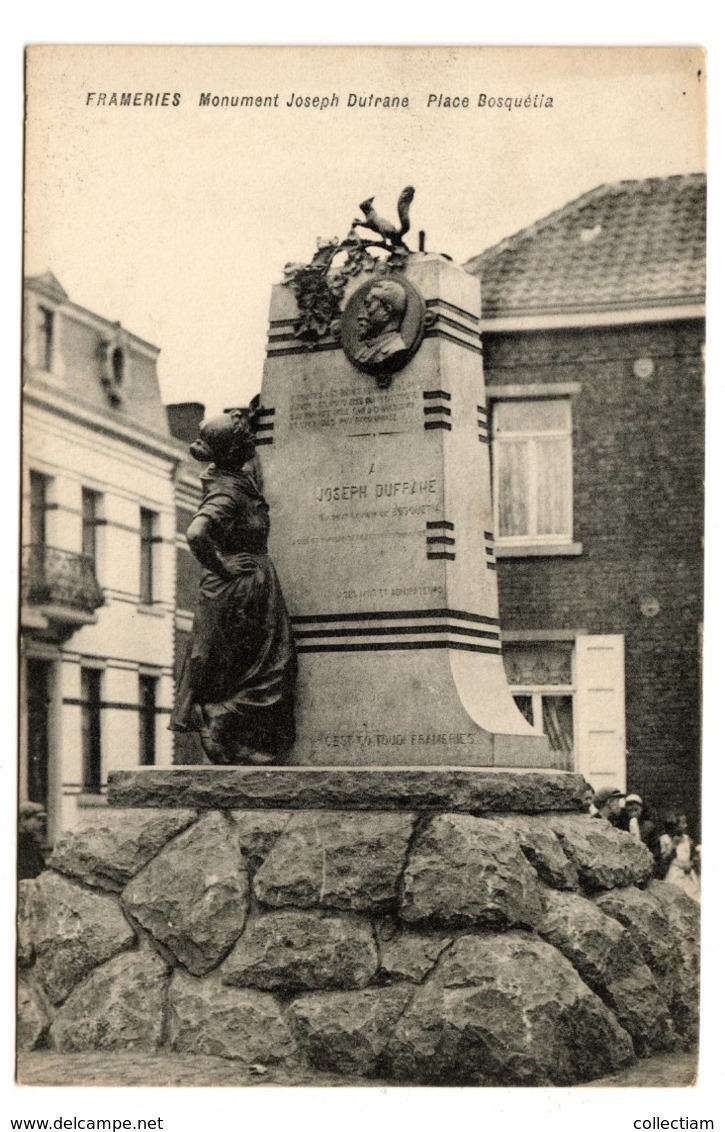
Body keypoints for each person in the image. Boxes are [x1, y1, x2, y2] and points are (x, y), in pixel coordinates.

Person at [169, 408, 297, 765]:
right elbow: (196, 533)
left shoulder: (234, 479)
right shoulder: (227, 491)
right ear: (235, 450)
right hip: (239, 586)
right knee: (272, 667)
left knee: (252, 667)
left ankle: (230, 734)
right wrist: (223, 565)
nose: (253, 444)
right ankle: (218, 718)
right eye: (247, 439)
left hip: (248, 582)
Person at [352, 279, 408, 366]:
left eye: (368, 305)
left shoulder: (395, 348)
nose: (360, 315)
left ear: (387, 310)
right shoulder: (363, 352)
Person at [658, 813, 700, 902]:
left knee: (694, 897)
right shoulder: (665, 839)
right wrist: (672, 846)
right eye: (683, 823)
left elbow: (694, 855)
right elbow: (663, 859)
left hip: (688, 872)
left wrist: (692, 863)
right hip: (674, 872)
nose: (685, 826)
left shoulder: (688, 839)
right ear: (674, 825)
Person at [17, 801, 47, 880]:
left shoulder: (32, 841)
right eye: (38, 819)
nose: (41, 824)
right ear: (23, 819)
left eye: (43, 820)